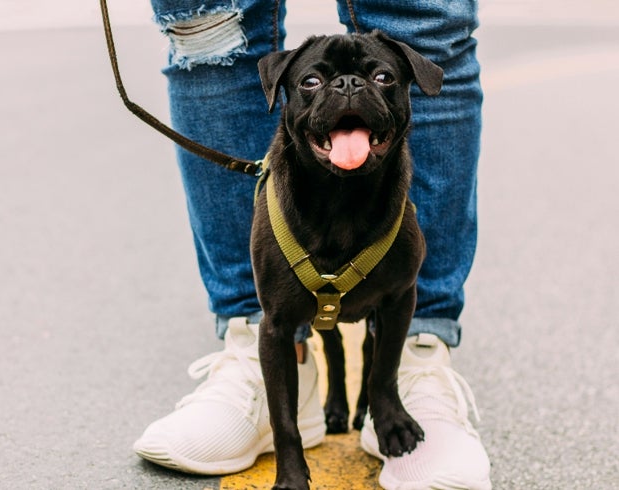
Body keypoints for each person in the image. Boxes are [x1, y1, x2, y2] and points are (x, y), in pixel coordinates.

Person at [133, 1, 492, 488]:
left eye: (381, 79)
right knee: (206, 24)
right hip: (291, 227)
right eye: (313, 83)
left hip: (385, 234)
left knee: (424, 18)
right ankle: (255, 353)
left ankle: (408, 367)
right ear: (281, 92)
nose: (346, 90)